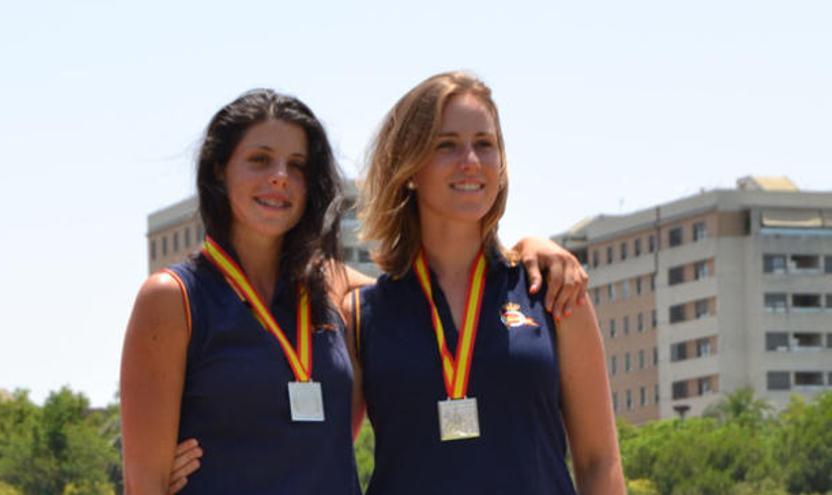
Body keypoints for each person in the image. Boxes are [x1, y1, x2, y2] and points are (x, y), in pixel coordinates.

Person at [124, 88, 589, 494]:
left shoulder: (335, 291)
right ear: (219, 171)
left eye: (298, 165)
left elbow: (434, 289)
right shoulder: (174, 298)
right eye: (260, 160)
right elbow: (144, 481)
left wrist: (533, 247)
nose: (280, 177)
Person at [346, 72, 625, 494]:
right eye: (446, 145)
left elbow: (598, 461)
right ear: (408, 167)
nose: (471, 161)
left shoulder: (553, 292)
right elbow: (317, 454)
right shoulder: (361, 315)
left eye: (485, 144)